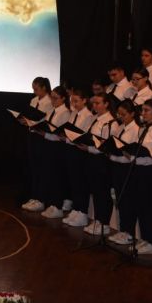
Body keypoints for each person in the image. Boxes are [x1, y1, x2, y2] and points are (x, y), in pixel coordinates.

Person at [108, 99, 152, 255]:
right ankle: (142, 238)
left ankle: (150, 242)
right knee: (139, 206)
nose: (143, 113)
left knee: (147, 208)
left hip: (149, 172)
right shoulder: (144, 129)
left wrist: (134, 156)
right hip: (137, 170)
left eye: (147, 110)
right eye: (142, 110)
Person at [81, 93, 117, 236]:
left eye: (98, 103)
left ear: (106, 104)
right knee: (96, 191)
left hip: (102, 161)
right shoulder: (95, 118)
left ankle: (104, 223)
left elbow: (106, 146)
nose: (94, 106)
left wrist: (89, 148)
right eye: (94, 103)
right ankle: (98, 220)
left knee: (103, 192)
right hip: (91, 158)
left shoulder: (110, 122)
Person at [61, 88, 95, 227]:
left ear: (84, 100)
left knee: (81, 182)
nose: (73, 104)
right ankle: (76, 209)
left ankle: (83, 212)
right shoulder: (74, 113)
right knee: (73, 181)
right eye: (72, 101)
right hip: (71, 149)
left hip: (80, 151)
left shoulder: (88, 116)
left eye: (76, 101)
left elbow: (84, 135)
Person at [21, 77, 53, 212]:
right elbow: (30, 116)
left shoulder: (50, 101)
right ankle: (34, 196)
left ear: (44, 88)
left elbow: (47, 120)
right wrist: (25, 121)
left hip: (43, 137)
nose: (34, 92)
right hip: (32, 135)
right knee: (33, 167)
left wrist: (36, 123)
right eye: (33, 89)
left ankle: (41, 198)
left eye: (36, 89)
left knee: (42, 168)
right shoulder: (34, 100)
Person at [39, 86, 71, 219]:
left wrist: (45, 134)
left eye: (55, 98)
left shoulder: (65, 113)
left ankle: (58, 206)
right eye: (51, 97)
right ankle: (52, 204)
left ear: (63, 98)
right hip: (49, 145)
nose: (52, 100)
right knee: (50, 176)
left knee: (57, 177)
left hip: (58, 148)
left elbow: (60, 134)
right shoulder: (52, 110)